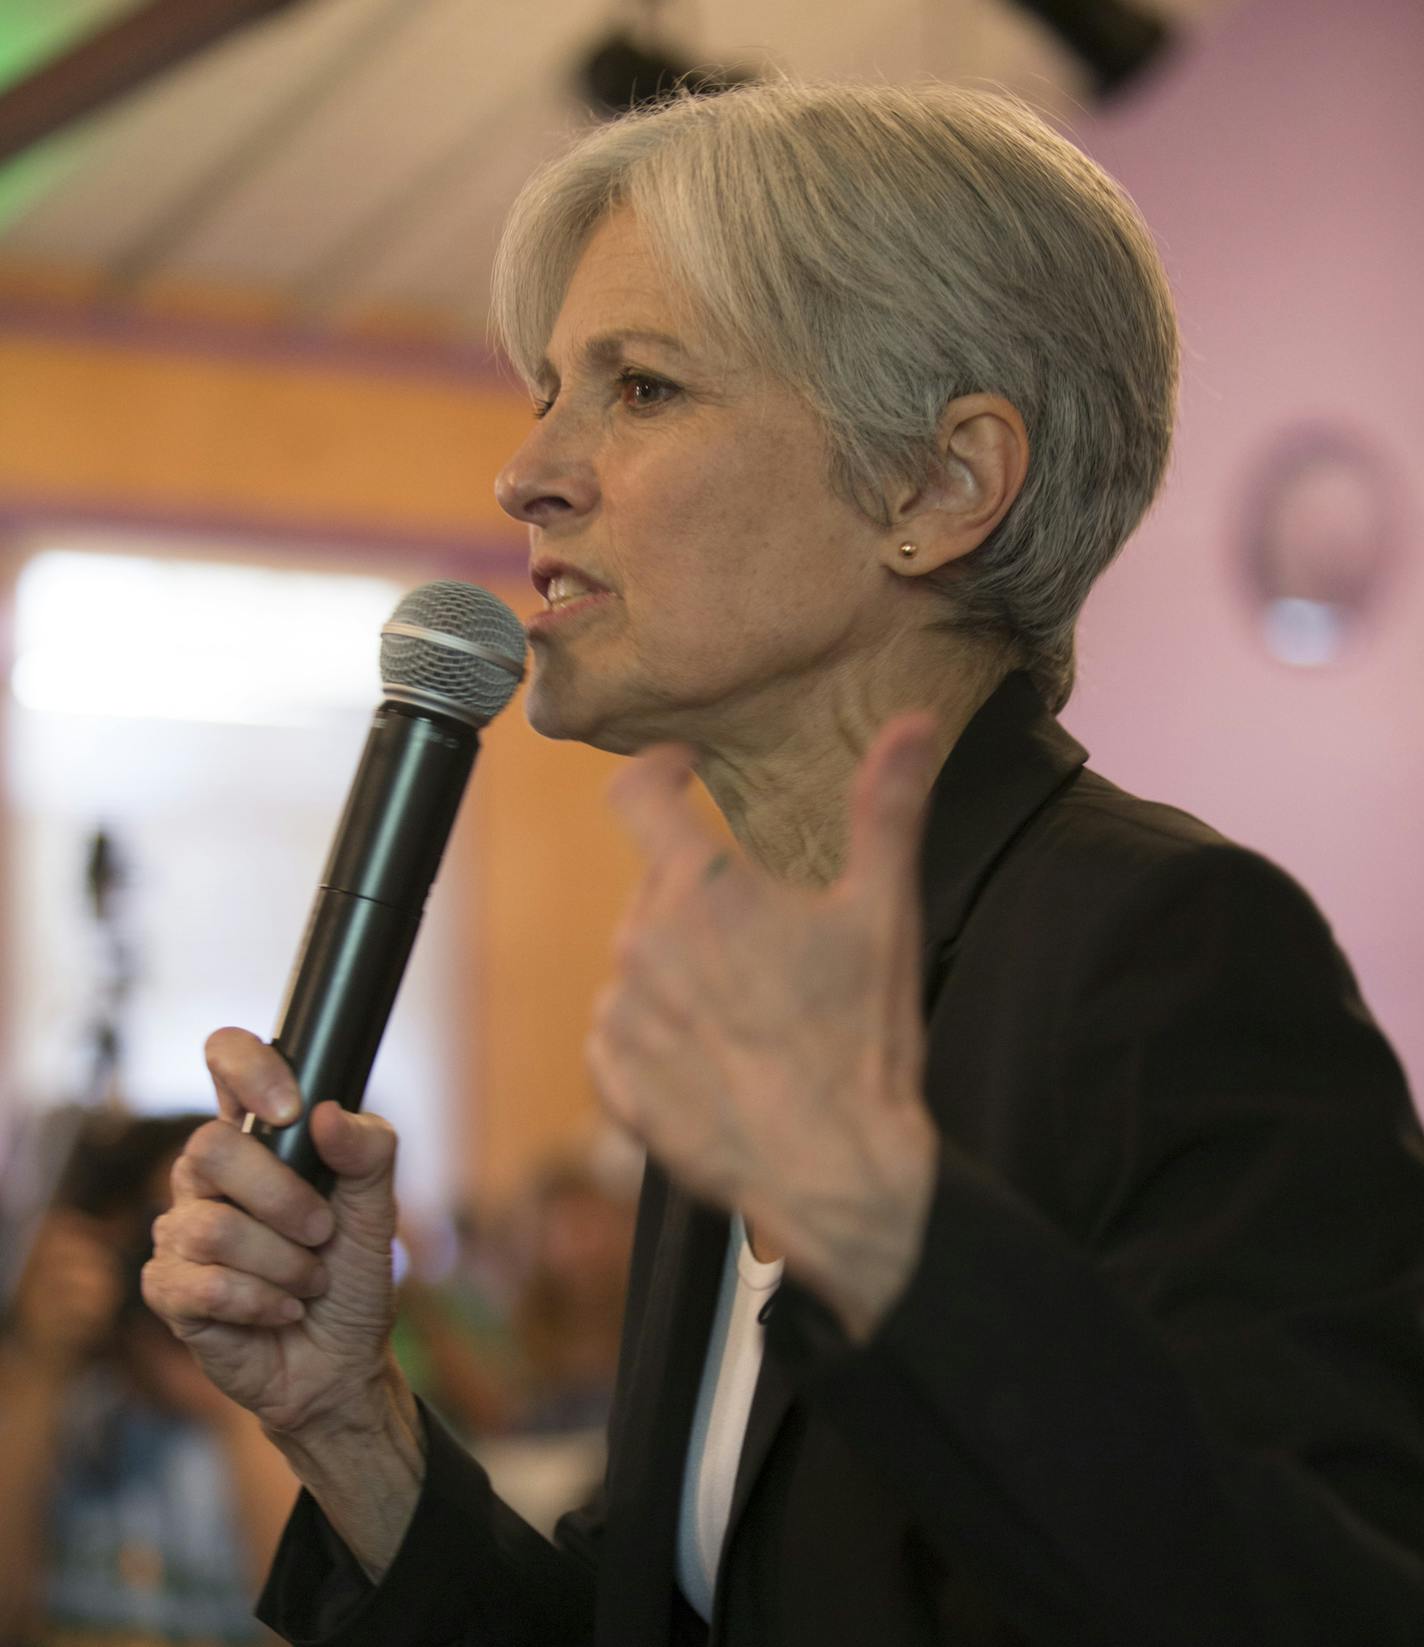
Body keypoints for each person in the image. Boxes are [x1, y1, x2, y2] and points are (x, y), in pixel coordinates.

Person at [141, 81, 1424, 1646]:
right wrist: (349, 1420)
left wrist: (889, 1238)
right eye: (552, 388)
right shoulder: (752, 1018)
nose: (528, 469)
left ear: (940, 485)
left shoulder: (1172, 955)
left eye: (645, 389)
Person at [0, 1111, 295, 1645]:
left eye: (222, 1235)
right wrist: (38, 1368)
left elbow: (304, 1629)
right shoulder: (59, 1403)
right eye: (162, 1232)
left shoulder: (296, 1420)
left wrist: (235, 1393)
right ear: (108, 1237)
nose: (194, 1271)